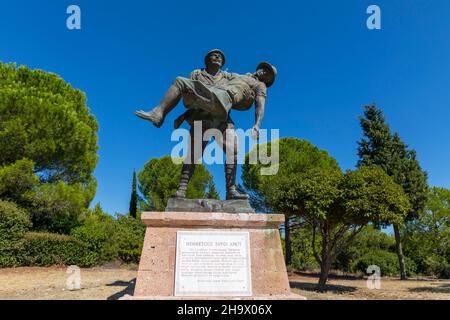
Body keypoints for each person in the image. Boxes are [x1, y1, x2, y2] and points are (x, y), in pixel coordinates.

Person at [135, 50, 277, 200]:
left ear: (267, 79)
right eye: (264, 68)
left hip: (222, 115)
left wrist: (257, 124)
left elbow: (260, 105)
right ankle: (181, 188)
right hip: (203, 115)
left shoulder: (260, 86)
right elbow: (214, 76)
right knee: (192, 153)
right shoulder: (235, 75)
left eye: (267, 73)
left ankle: (231, 190)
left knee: (233, 150)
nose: (263, 71)